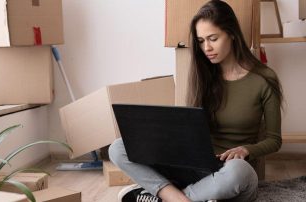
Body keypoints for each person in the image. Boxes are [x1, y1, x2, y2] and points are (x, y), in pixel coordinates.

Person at [108, 0, 283, 201]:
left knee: (239, 171)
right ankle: (180, 197)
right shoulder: (203, 75)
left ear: (232, 34)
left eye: (213, 38)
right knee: (118, 147)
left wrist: (246, 150)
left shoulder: (264, 79)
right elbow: (191, 130)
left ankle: (162, 196)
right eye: (201, 41)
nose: (206, 47)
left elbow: (274, 140)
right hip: (194, 168)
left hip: (229, 174)